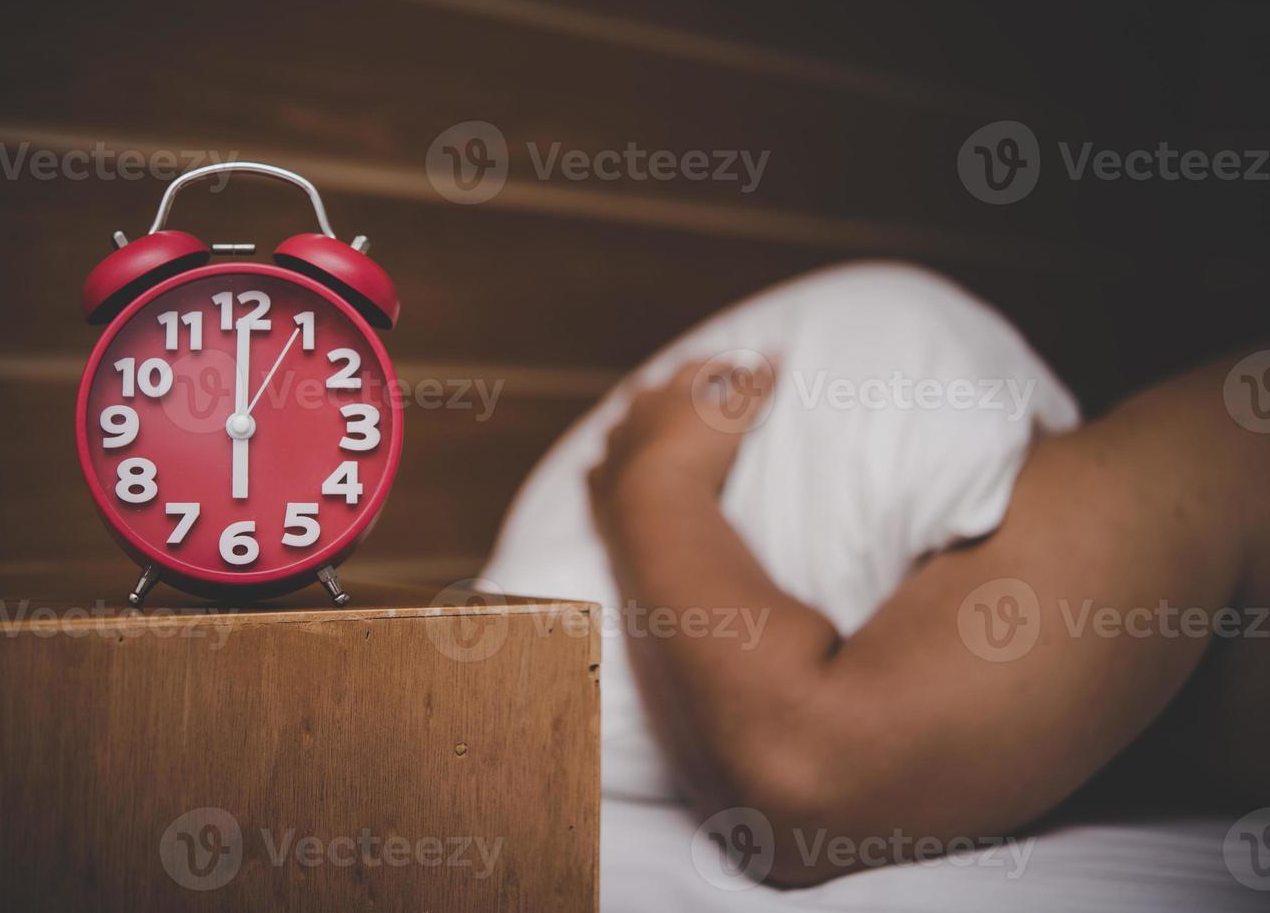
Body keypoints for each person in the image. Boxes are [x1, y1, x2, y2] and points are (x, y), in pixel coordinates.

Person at [480, 261, 1270, 886]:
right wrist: (656, 486)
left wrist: (650, 483)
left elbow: (808, 780)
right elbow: (812, 782)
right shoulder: (1215, 452)